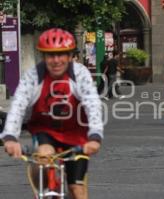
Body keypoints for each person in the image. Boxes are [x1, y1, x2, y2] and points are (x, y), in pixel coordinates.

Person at [1, 28, 103, 199]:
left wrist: (95, 137)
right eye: (50, 55)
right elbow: (18, 105)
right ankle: (44, 193)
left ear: (70, 56)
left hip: (77, 133)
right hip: (45, 131)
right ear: (44, 57)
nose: (56, 60)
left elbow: (92, 105)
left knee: (77, 190)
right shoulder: (34, 76)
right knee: (43, 156)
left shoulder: (80, 74)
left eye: (61, 54)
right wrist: (10, 137)